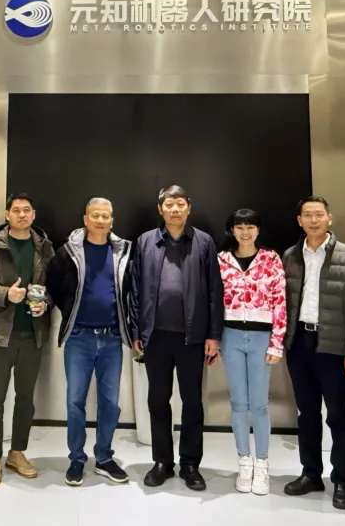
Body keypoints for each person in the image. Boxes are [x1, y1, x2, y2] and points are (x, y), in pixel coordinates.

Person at [128, 185, 223, 492]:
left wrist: (214, 335)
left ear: (188, 208)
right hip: (155, 337)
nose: (175, 209)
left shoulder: (204, 242)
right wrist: (136, 331)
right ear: (160, 209)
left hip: (192, 338)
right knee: (157, 400)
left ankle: (190, 464)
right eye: (169, 204)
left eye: (180, 204)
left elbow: (214, 291)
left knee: (192, 401)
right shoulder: (145, 241)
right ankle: (162, 462)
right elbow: (134, 289)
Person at [280, 196, 345, 509]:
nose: (314, 220)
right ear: (299, 221)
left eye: (319, 214)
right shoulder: (290, 256)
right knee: (306, 414)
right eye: (308, 215)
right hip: (299, 344)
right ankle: (311, 473)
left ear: (329, 218)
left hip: (333, 346)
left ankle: (341, 479)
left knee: (338, 415)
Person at [0, 192, 54, 488]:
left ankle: (16, 453)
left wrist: (46, 303)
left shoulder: (44, 247)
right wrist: (6, 293)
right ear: (7, 214)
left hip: (32, 333)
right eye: (16, 210)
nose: (21, 215)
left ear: (33, 214)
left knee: (26, 399)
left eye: (26, 210)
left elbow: (54, 286)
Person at [46, 197, 132, 486]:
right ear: (85, 219)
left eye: (106, 216)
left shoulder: (122, 252)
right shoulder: (68, 252)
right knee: (75, 401)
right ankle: (77, 459)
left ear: (112, 220)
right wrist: (60, 308)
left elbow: (132, 291)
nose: (100, 220)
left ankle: (104, 457)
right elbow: (52, 286)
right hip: (79, 338)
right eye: (95, 215)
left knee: (110, 403)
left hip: (112, 338)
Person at [216, 208, 286, 495]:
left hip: (261, 337)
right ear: (232, 230)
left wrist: (277, 342)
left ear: (258, 229)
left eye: (250, 227)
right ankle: (244, 462)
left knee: (259, 404)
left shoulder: (270, 259)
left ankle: (262, 463)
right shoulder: (221, 260)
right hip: (230, 335)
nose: (245, 232)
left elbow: (280, 301)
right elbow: (212, 300)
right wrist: (214, 338)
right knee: (238, 403)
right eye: (239, 227)